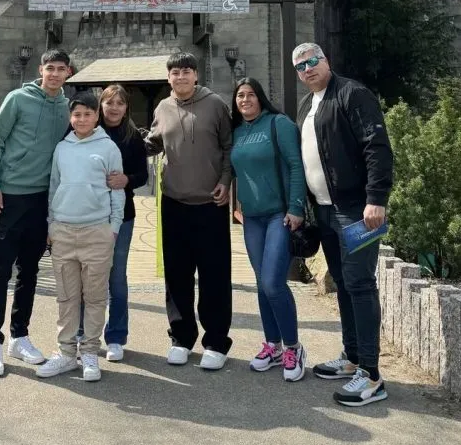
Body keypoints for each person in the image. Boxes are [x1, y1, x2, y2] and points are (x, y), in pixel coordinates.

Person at [293, 42, 393, 407]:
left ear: (327, 60)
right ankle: (352, 358)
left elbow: (376, 147)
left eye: (313, 61)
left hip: (357, 210)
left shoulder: (353, 93)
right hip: (325, 211)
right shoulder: (307, 105)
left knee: (362, 285)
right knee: (345, 286)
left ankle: (372, 375)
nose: (308, 69)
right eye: (301, 66)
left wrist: (376, 198)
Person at [0, 49, 72, 378]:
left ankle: (19, 336)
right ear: (41, 70)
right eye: (50, 68)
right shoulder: (18, 99)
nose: (55, 74)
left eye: (61, 69)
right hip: (7, 198)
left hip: (41, 201)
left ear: (68, 73)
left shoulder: (67, 107)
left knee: (30, 271)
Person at [145, 51, 233, 370]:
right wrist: (117, 141)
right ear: (168, 78)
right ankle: (181, 337)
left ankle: (216, 341)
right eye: (174, 73)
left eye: (186, 71)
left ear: (196, 75)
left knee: (214, 274)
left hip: (211, 202)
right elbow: (153, 142)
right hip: (174, 202)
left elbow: (228, 145)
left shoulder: (216, 104)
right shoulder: (163, 107)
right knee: (177, 273)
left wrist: (226, 179)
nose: (180, 77)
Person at [37, 92, 125, 381]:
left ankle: (89, 352)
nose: (82, 119)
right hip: (63, 231)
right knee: (67, 297)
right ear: (70, 117)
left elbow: (116, 189)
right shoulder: (62, 148)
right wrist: (50, 225)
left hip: (97, 231)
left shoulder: (109, 147)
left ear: (96, 116)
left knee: (96, 297)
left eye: (88, 114)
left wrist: (113, 228)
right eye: (77, 114)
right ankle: (65, 353)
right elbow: (54, 187)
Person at [231, 78, 307, 380]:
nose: (245, 100)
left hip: (280, 215)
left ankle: (293, 346)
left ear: (260, 98)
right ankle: (273, 346)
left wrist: (296, 207)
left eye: (250, 95)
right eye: (240, 96)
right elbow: (236, 169)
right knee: (262, 282)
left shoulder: (279, 124)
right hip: (251, 219)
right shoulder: (237, 132)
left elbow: (296, 165)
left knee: (274, 283)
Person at [77, 84, 148, 362]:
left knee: (116, 277)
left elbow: (141, 174)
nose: (115, 108)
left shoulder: (132, 137)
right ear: (100, 106)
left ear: (126, 107)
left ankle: (116, 336)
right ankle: (82, 333)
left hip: (121, 216)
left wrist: (127, 179)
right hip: (87, 213)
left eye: (120, 103)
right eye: (109, 103)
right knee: (86, 276)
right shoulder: (86, 131)